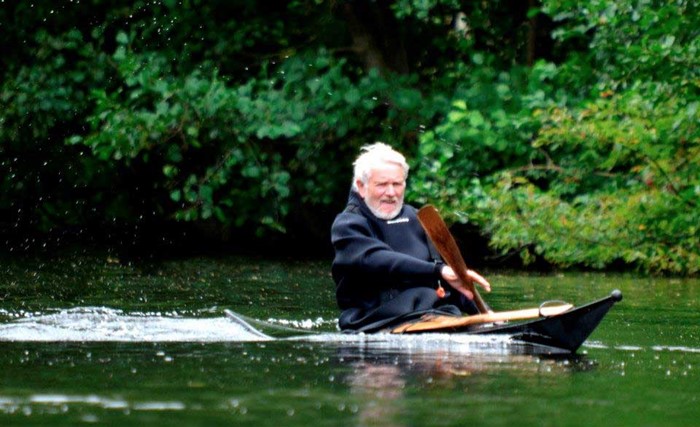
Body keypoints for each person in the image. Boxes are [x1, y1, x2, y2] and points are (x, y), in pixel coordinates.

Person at [331, 142, 492, 332]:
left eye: (397, 184)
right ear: (361, 186)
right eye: (382, 184)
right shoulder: (347, 226)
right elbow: (377, 259)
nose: (391, 193)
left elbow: (453, 282)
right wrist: (437, 270)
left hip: (436, 316)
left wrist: (485, 315)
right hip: (375, 323)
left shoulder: (420, 220)